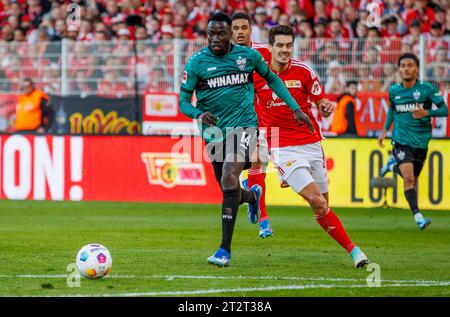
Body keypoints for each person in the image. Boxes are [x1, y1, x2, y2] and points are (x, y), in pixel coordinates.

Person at [179, 12, 314, 267]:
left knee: (230, 175)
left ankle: (224, 251)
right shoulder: (196, 63)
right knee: (228, 189)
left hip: (244, 127)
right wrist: (198, 113)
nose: (215, 39)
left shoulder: (248, 57)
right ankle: (252, 197)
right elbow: (183, 102)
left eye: (221, 33)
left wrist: (296, 107)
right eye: (211, 34)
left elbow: (272, 78)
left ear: (231, 33)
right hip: (214, 133)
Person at [256, 25, 369, 268]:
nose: (285, 50)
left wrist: (326, 105)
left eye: (289, 45)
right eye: (280, 45)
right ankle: (355, 251)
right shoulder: (257, 75)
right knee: (317, 201)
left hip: (311, 143)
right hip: (282, 147)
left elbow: (320, 100)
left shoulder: (304, 71)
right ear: (271, 48)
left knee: (323, 206)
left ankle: (345, 245)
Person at [378, 53, 448, 230]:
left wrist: (427, 113)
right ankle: (418, 217)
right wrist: (385, 130)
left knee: (412, 180)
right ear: (399, 69)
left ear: (417, 69)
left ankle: (392, 166)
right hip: (400, 139)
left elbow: (445, 110)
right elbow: (392, 110)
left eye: (410, 65)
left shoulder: (427, 89)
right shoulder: (394, 90)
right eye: (403, 66)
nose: (406, 68)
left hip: (421, 141)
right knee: (409, 179)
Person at [230, 11, 273, 239]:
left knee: (259, 164)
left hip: (262, 119)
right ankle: (253, 202)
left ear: (250, 30)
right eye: (235, 29)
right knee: (227, 179)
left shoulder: (264, 52)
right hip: (234, 121)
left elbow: (277, 78)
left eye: (243, 28)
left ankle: (263, 218)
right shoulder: (223, 58)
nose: (239, 33)